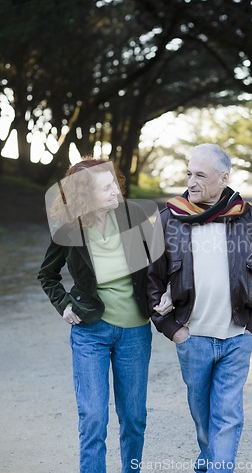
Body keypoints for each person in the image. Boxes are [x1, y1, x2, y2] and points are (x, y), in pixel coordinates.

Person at [147, 144, 252, 473]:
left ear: (224, 178)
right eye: (189, 173)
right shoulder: (167, 220)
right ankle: (208, 459)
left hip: (236, 337)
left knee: (228, 417)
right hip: (193, 339)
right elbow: (150, 281)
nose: (192, 181)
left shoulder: (248, 219)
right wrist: (172, 330)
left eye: (201, 175)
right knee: (202, 416)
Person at [38, 158, 158, 473]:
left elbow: (155, 268)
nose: (115, 190)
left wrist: (167, 294)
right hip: (90, 331)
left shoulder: (131, 217)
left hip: (135, 332)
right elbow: (47, 275)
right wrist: (63, 304)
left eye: (113, 183)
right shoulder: (70, 229)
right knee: (93, 417)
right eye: (105, 187)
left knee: (133, 418)